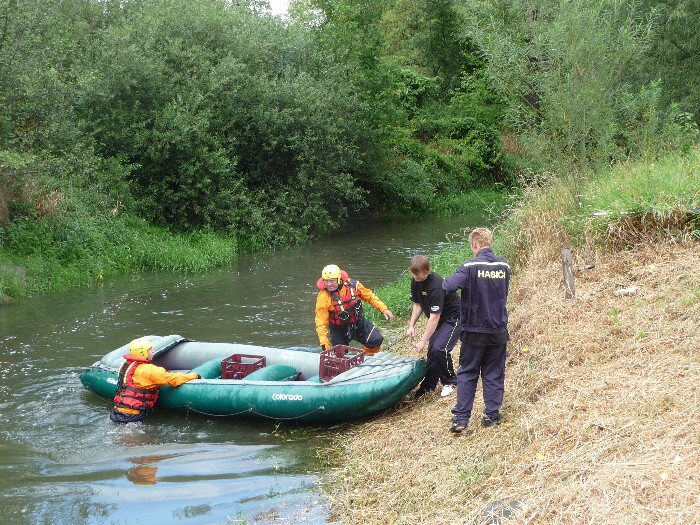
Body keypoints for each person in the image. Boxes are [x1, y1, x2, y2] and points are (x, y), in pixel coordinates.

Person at [442, 228, 510, 433]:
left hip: (474, 330)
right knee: (493, 373)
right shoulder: (504, 265)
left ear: (474, 244)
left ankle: (461, 419)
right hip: (498, 330)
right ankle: (491, 416)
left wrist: (446, 278)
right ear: (490, 242)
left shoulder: (469, 266)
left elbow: (450, 286)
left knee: (468, 373)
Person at [110, 337, 200, 424]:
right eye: (150, 349)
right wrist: (194, 375)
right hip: (133, 416)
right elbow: (174, 380)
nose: (153, 351)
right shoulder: (150, 370)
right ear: (142, 352)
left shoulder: (124, 366)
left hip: (117, 412)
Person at [407, 254, 461, 398]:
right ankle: (428, 387)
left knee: (439, 349)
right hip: (440, 319)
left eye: (417, 274)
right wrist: (411, 325)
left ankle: (451, 381)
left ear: (426, 271)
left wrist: (423, 340)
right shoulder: (416, 280)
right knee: (432, 353)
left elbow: (434, 318)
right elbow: (418, 304)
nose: (415, 277)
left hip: (453, 317)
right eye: (413, 273)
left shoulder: (436, 285)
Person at [315, 264, 395, 355]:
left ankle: (363, 356)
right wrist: (324, 342)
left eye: (332, 281)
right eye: (326, 281)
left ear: (339, 279)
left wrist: (384, 309)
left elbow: (370, 297)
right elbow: (320, 323)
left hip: (357, 323)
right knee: (340, 356)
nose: (329, 284)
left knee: (376, 340)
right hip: (339, 330)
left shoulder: (352, 285)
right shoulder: (323, 297)